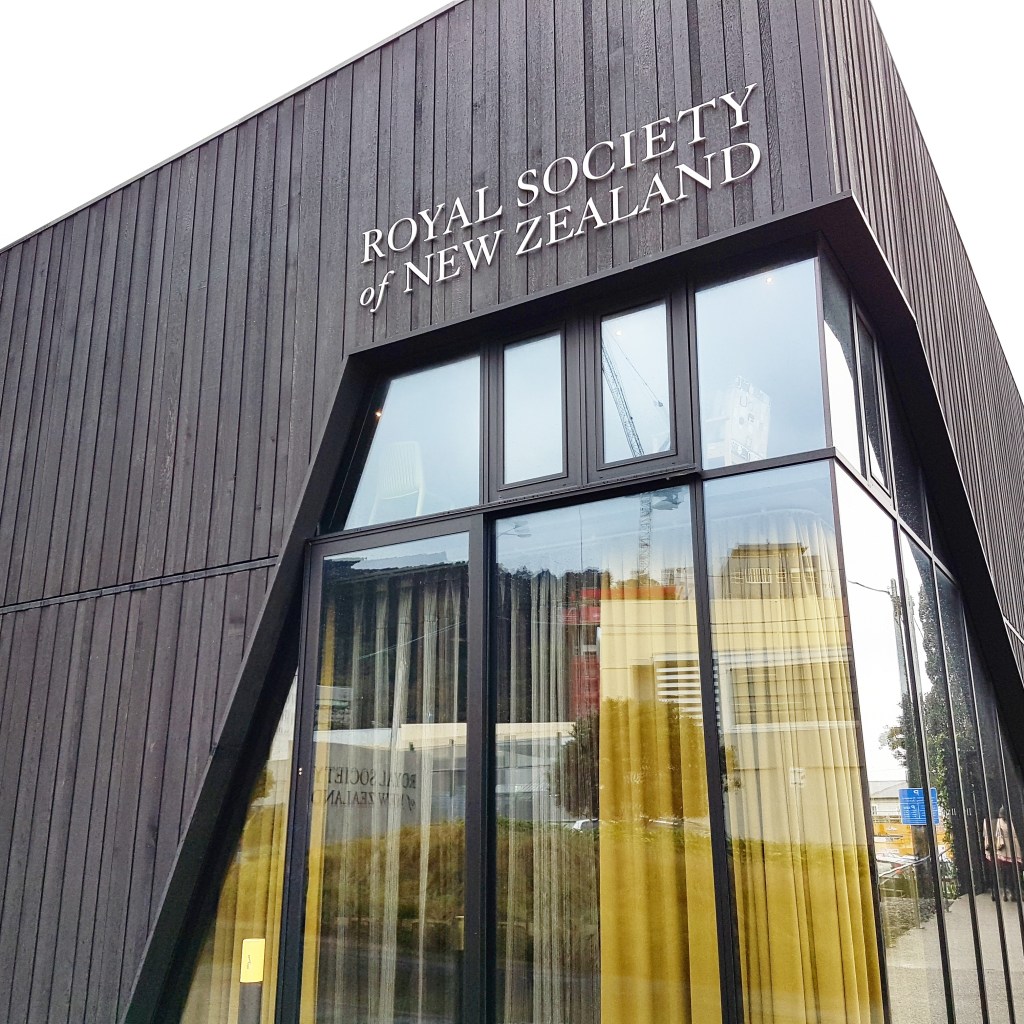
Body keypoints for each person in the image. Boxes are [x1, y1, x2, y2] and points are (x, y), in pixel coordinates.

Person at [984, 806, 1021, 901]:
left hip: (1012, 849)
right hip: (1003, 852)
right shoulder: (997, 823)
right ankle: (1006, 892)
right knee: (1005, 873)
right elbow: (996, 836)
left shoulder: (1012, 822)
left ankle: (1014, 892)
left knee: (1013, 873)